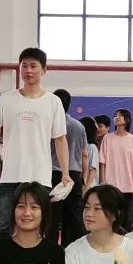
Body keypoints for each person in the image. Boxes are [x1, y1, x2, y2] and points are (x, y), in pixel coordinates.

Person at [0, 47, 72, 247]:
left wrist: (65, 173)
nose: (28, 70)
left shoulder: (53, 102)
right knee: (2, 228)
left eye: (33, 66)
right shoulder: (6, 99)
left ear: (44, 70)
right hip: (10, 176)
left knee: (39, 228)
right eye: (24, 66)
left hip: (40, 177)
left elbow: (60, 139)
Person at [47, 88, 88, 248]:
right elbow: (84, 154)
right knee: (74, 217)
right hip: (75, 175)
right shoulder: (79, 126)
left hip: (55, 174)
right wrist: (83, 178)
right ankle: (75, 250)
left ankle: (51, 251)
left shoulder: (49, 124)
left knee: (53, 217)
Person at [98, 109, 133, 231]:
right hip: (111, 185)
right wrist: (102, 180)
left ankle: (125, 240)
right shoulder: (107, 138)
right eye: (116, 116)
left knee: (127, 219)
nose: (117, 117)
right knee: (111, 216)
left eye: (120, 116)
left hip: (128, 186)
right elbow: (102, 161)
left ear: (127, 120)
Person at [80, 116, 100, 190]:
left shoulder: (92, 147)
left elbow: (93, 169)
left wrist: (86, 188)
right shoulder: (82, 146)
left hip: (89, 187)